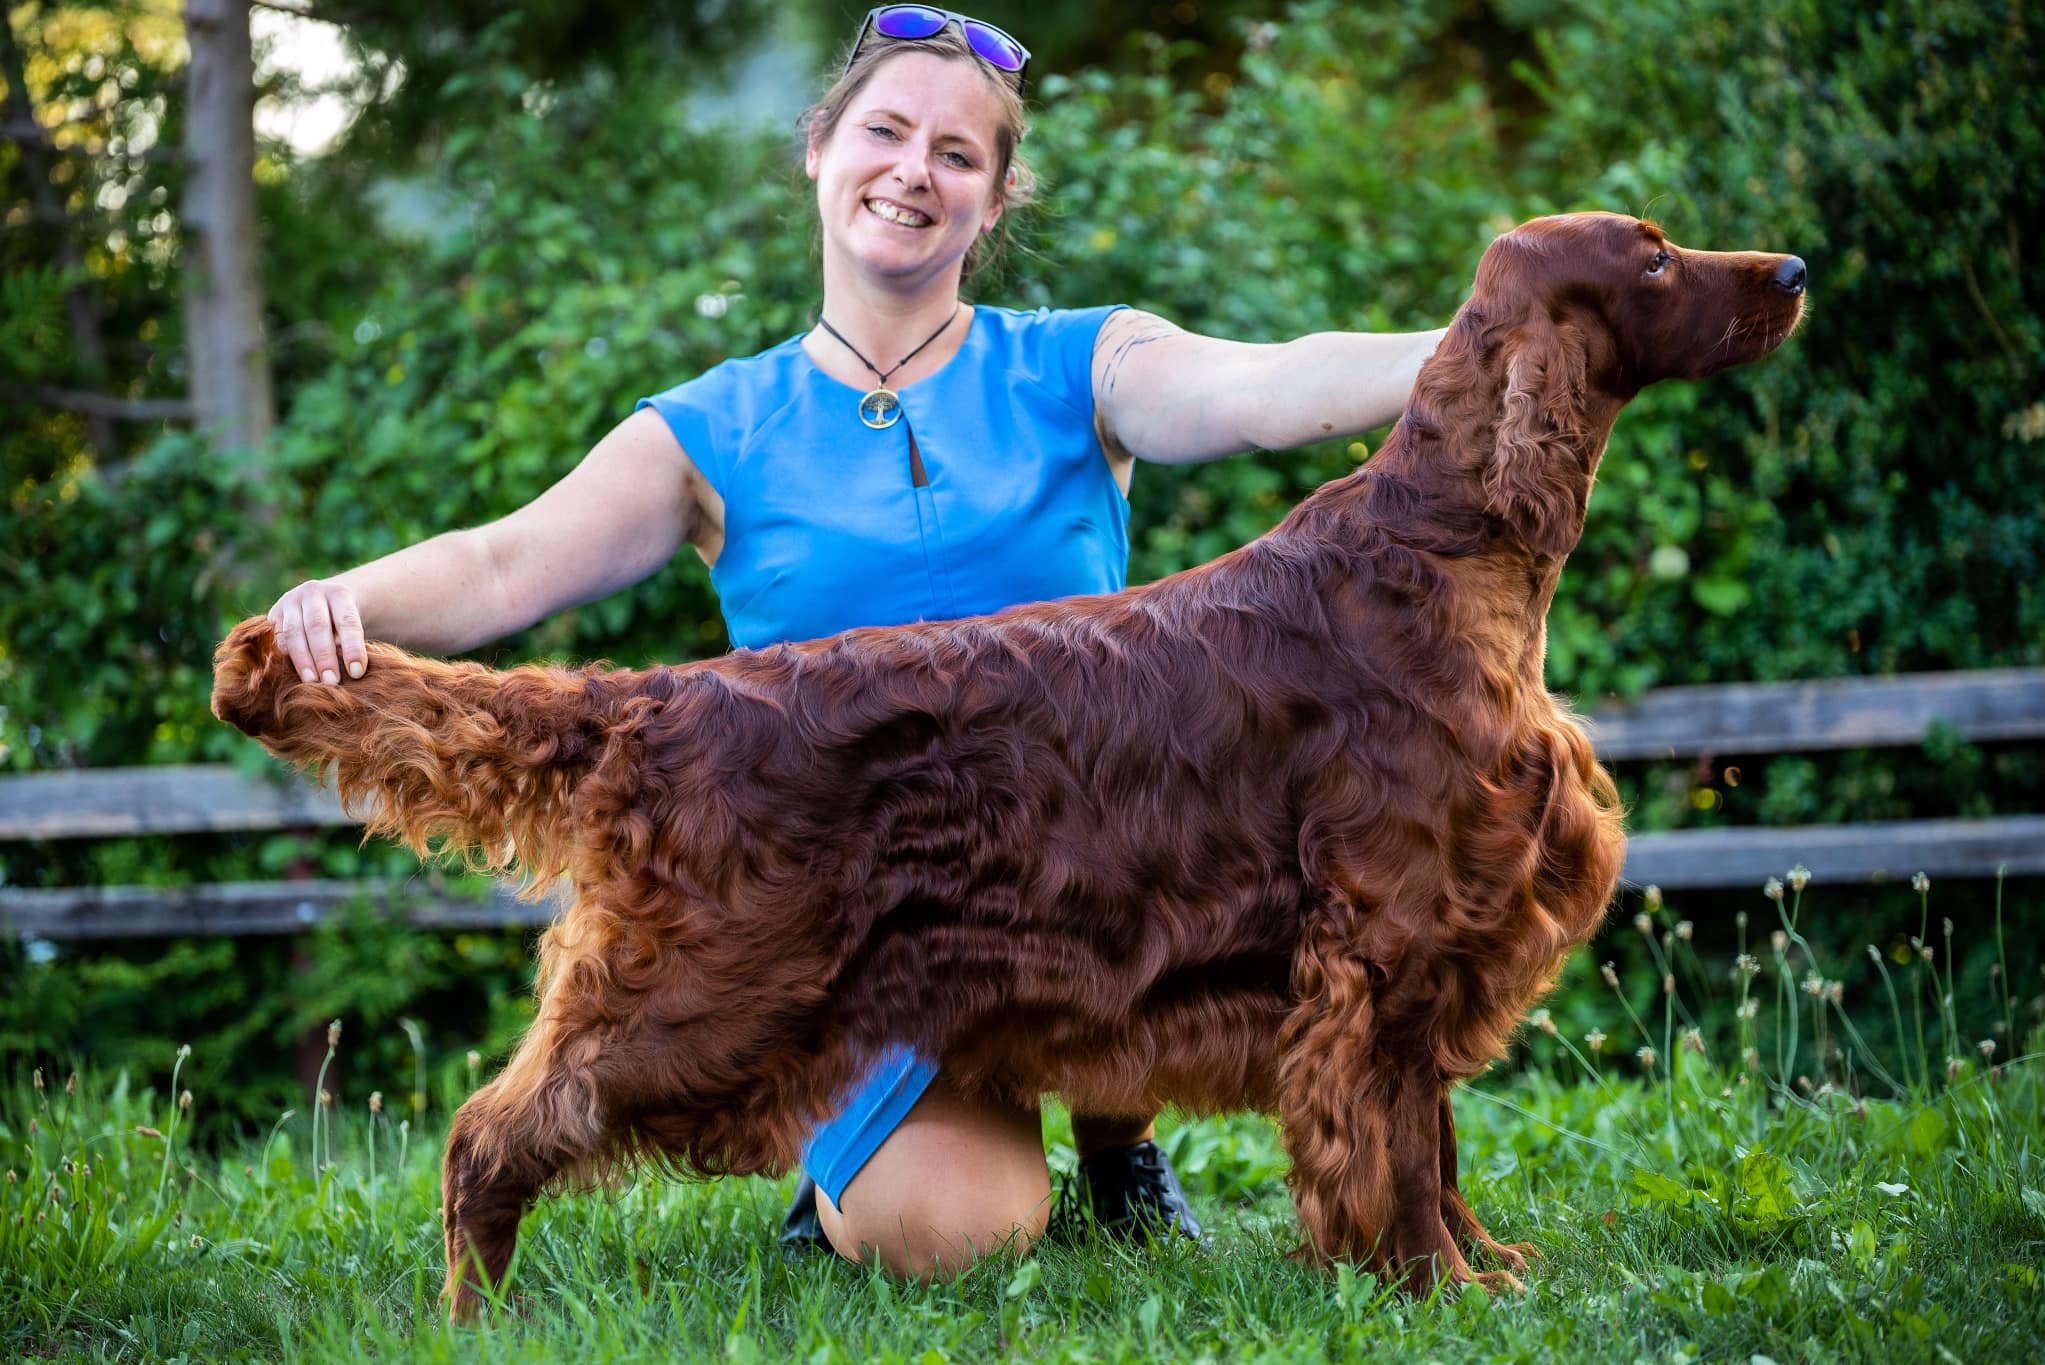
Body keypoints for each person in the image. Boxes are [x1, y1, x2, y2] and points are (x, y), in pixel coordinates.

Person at [264, 5, 1446, 1280]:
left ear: (994, 200)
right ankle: (840, 1136)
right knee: (951, 1234)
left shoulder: (1081, 364)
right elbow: (505, 560)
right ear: (817, 149)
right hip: (853, 918)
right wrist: (345, 600)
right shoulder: (716, 426)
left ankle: (1119, 1140)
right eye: (884, 132)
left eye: (957, 154)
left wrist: (1476, 343)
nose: (913, 171)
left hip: (1096, 897)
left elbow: (1262, 388)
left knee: (1177, 786)